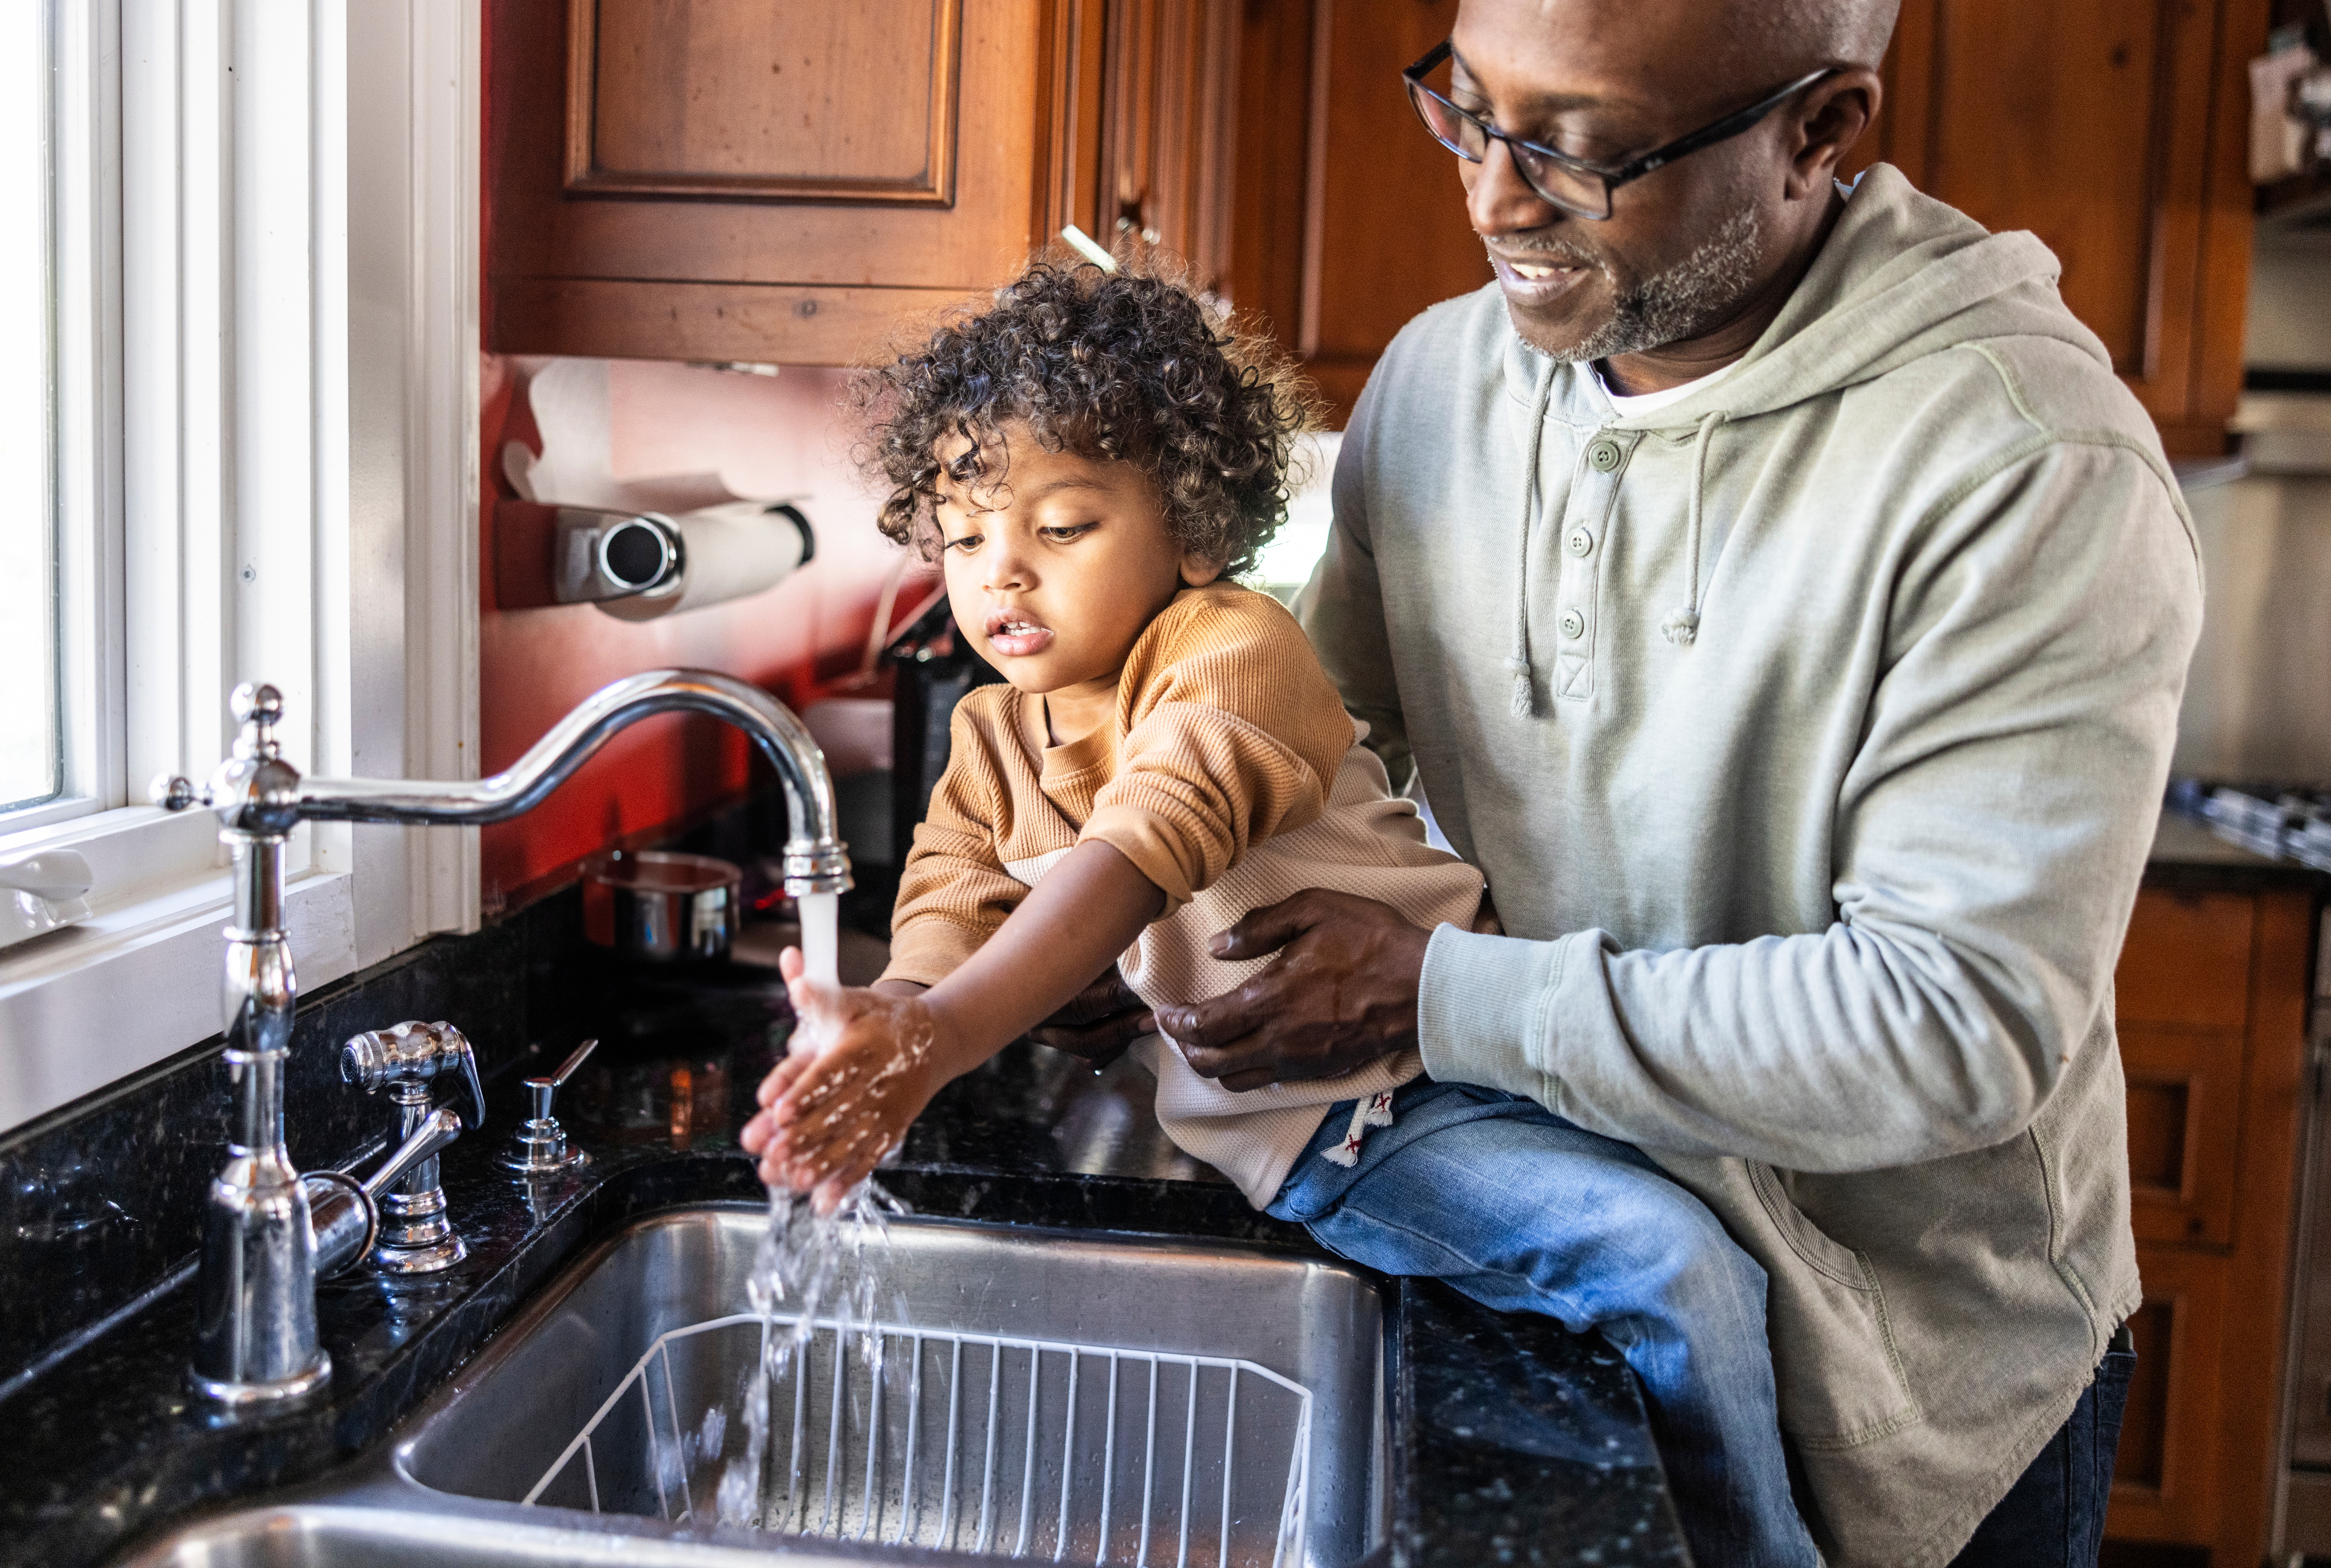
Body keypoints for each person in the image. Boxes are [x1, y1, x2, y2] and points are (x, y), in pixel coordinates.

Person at [1042, 0, 2200, 1562]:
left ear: (1822, 130)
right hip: (1611, 1259)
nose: (1498, 197)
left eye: (1586, 154)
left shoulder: (2026, 472)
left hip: (1926, 1381)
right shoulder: (1442, 384)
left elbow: (1954, 1023)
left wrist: (1444, 997)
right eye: (1472, 108)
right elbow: (1303, 741)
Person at [740, 257, 1823, 1567]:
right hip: (1344, 1128)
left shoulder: (1232, 645)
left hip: (1471, 1048)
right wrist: (892, 1018)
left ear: (1191, 529)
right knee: (1670, 1265)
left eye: (1060, 530)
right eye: (965, 539)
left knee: (1719, 1241)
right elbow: (944, 908)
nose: (1001, 579)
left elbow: (1146, 842)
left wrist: (941, 1036)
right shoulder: (987, 736)